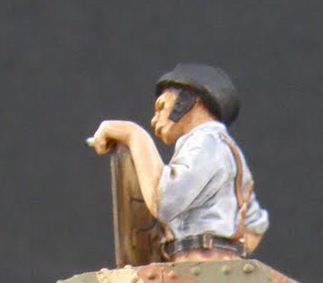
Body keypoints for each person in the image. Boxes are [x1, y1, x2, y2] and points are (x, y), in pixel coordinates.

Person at [88, 64, 269, 261]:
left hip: (197, 264)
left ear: (188, 101)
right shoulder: (225, 148)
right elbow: (255, 226)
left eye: (161, 107)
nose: (154, 119)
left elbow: (164, 200)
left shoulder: (206, 143)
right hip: (208, 263)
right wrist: (229, 254)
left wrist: (133, 134)